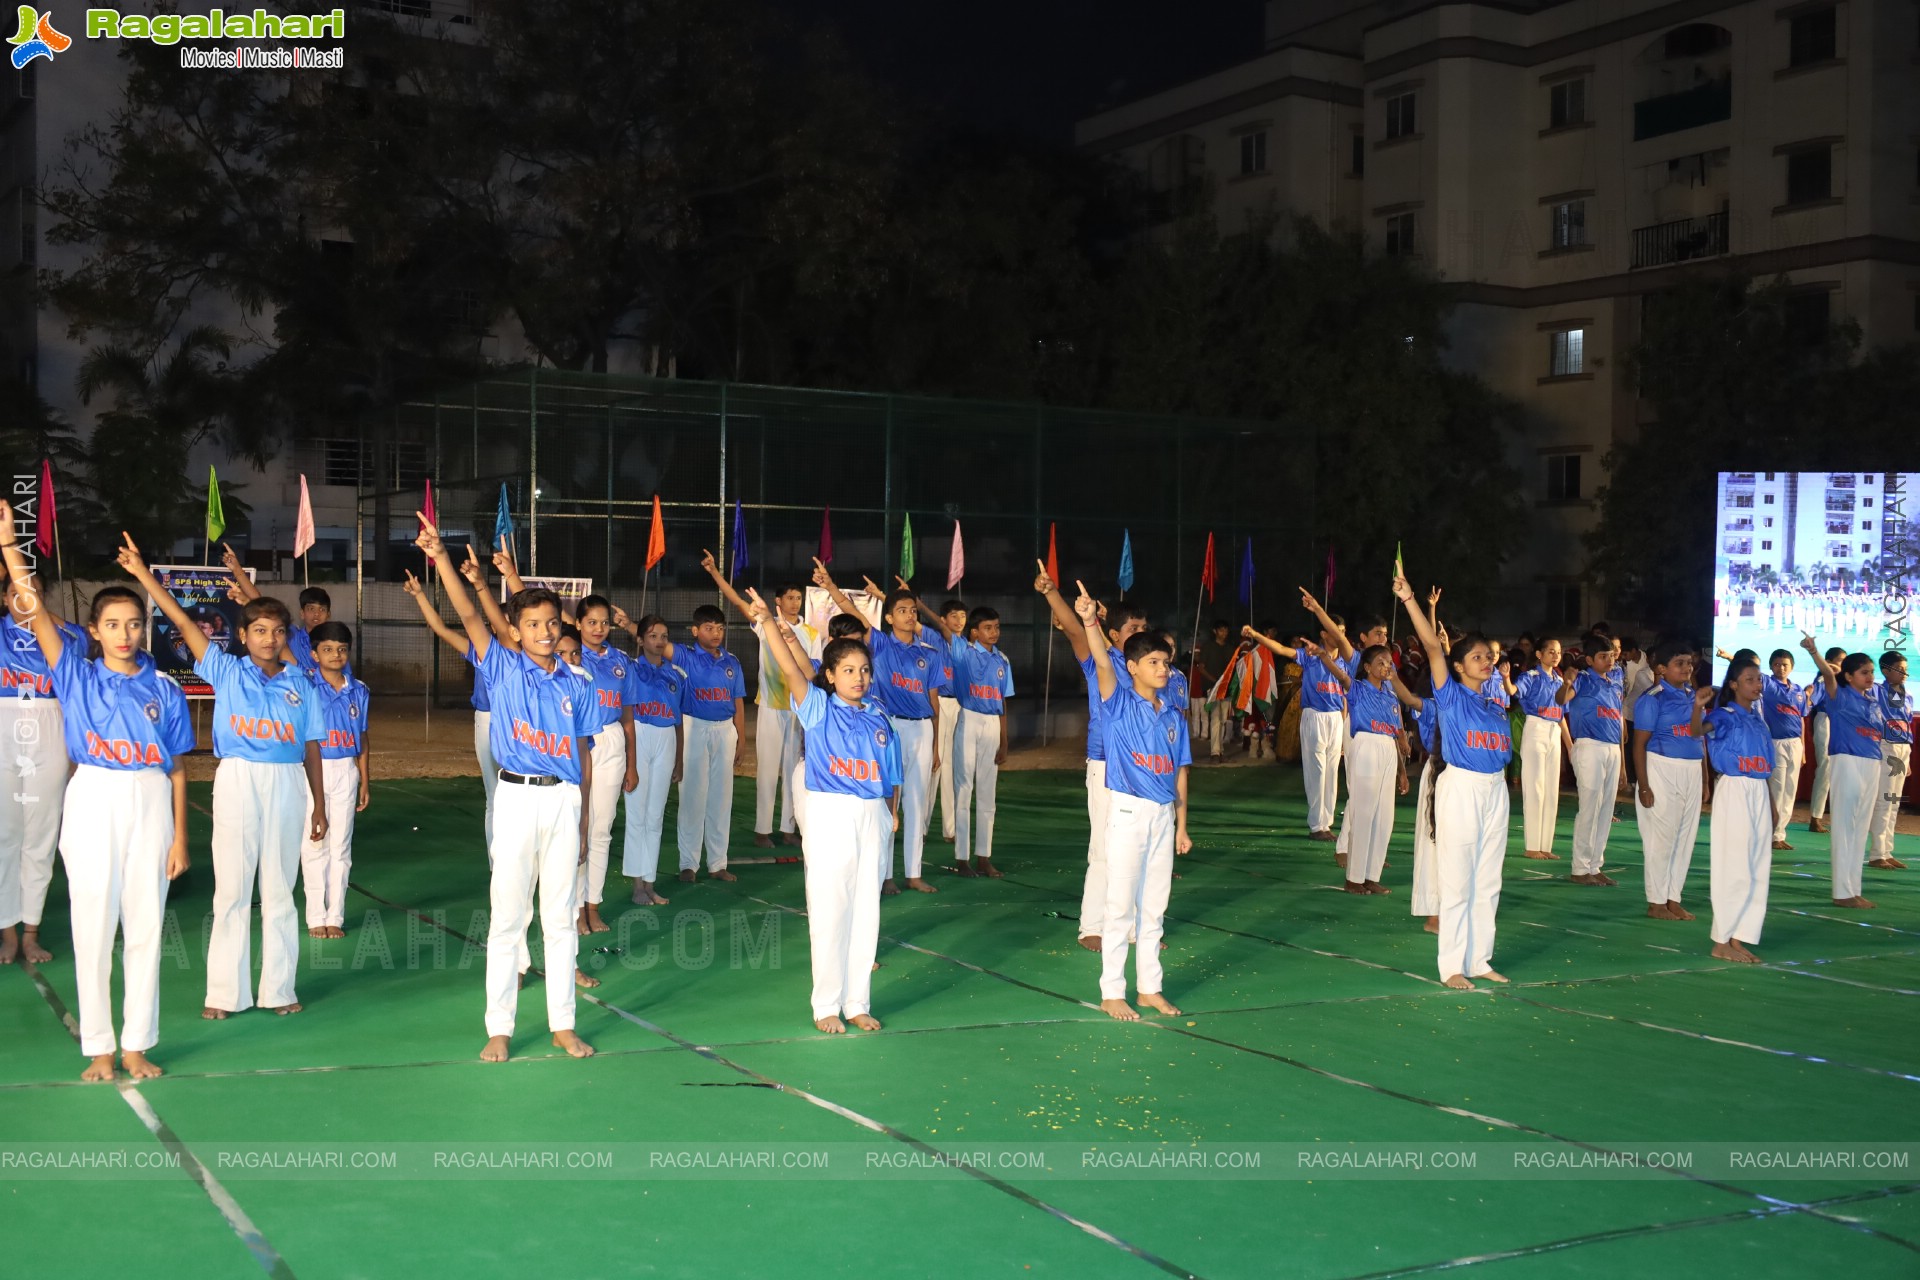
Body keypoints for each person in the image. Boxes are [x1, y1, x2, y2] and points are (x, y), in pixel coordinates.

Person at [123, 534, 327, 1018]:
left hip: (287, 782)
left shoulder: (303, 682)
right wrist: (142, 575)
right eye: (259, 631)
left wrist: (319, 803)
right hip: (237, 778)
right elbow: (179, 619)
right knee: (232, 889)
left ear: (286, 635)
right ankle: (224, 994)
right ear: (243, 636)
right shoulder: (225, 670)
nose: (269, 639)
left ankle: (279, 989)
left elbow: (314, 746)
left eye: (277, 631)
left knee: (280, 888)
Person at [418, 516, 599, 1062]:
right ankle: (500, 1027)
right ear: (517, 633)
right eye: (534, 625)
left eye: (551, 624)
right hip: (517, 797)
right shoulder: (501, 667)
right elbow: (471, 615)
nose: (545, 632)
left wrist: (585, 819)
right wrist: (442, 560)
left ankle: (563, 1024)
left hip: (564, 799)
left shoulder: (580, 684)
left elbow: (584, 755)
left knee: (561, 916)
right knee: (508, 915)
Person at [748, 589, 899, 1033]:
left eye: (864, 671)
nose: (859, 678)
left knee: (866, 908)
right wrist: (767, 623)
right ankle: (826, 1005)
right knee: (831, 908)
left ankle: (857, 1002)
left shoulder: (878, 715)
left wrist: (891, 813)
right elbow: (791, 667)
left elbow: (891, 775)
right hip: (831, 812)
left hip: (872, 814)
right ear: (830, 675)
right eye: (848, 671)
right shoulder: (816, 708)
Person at [1071, 583, 1191, 1021]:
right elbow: (1102, 658)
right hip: (1126, 812)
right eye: (1153, 662)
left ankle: (1150, 988)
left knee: (1154, 907)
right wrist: (1089, 621)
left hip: (1161, 816)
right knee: (1120, 905)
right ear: (1133, 667)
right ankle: (1111, 991)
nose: (1162, 668)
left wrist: (1181, 825)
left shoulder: (1173, 715)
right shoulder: (1116, 701)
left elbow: (1180, 774)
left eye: (1165, 661)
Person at [1392, 573, 1511, 989]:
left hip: (1496, 788)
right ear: (1458, 665)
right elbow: (1430, 647)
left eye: (1489, 657)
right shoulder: (1451, 693)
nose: (1487, 661)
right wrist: (1410, 600)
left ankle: (1479, 959)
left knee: (1488, 879)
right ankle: (1452, 966)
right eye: (1477, 657)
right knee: (1458, 878)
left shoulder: (1494, 704)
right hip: (1461, 787)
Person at [1034, 567, 1146, 947]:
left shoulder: (1148, 667)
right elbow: (1074, 630)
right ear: (1113, 634)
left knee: (1136, 849)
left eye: (1143, 627)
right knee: (1103, 847)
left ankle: (1131, 928)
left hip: (1140, 768)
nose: (1139, 634)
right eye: (1132, 628)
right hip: (1104, 763)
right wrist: (1053, 594)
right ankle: (1093, 927)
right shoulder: (1101, 659)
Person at [814, 565, 941, 895]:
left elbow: (934, 701)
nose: (910, 615)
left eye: (913, 610)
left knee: (917, 801)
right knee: (889, 801)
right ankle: (884, 875)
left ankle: (913, 872)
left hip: (922, 729)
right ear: (888, 618)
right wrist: (830, 585)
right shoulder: (881, 644)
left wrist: (937, 743)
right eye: (901, 610)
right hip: (889, 727)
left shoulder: (929, 653)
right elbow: (850, 610)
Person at [700, 551, 820, 849]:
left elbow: (813, 670)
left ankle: (789, 828)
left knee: (795, 771)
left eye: (798, 597)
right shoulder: (765, 623)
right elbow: (738, 601)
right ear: (778, 602)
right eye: (789, 598)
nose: (795, 602)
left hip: (798, 712)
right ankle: (763, 829)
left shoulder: (811, 632)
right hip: (770, 708)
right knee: (767, 770)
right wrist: (715, 572)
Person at [0, 569, 85, 966]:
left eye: (34, 592)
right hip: (4, 732)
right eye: (16, 592)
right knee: (5, 835)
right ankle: (8, 933)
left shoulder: (65, 639)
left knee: (41, 835)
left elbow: (79, 669)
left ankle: (31, 930)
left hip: (50, 732)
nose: (26, 599)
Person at [917, 596, 1013, 877]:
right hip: (968, 719)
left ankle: (984, 856)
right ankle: (962, 859)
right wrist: (925, 608)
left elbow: (1003, 701)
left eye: (996, 627)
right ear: (974, 632)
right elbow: (945, 630)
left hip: (992, 724)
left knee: (988, 793)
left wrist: (1004, 740)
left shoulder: (1003, 661)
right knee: (963, 789)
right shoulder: (962, 651)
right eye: (987, 627)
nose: (994, 632)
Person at [567, 595, 638, 934]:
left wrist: (632, 764)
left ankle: (593, 906)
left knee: (601, 829)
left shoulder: (621, 661)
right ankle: (575, 908)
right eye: (591, 621)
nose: (598, 628)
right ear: (578, 623)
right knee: (576, 828)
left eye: (604, 622)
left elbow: (628, 717)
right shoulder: (565, 658)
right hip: (577, 742)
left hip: (611, 742)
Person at [295, 621, 370, 939]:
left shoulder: (360, 690)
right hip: (312, 769)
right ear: (314, 654)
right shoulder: (304, 688)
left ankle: (335, 916)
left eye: (341, 649)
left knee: (340, 846)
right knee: (314, 844)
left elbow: (363, 736)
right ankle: (315, 917)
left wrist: (365, 778)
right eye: (327, 649)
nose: (335, 655)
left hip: (346, 771)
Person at [1798, 639, 1884, 910]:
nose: (1870, 676)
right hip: (1847, 761)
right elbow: (1827, 674)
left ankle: (1853, 888)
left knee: (1860, 828)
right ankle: (1841, 891)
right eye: (1864, 672)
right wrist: (1814, 652)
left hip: (1871, 763)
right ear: (1848, 676)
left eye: (1871, 672)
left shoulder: (1872, 699)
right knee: (1846, 826)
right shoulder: (1839, 695)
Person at [1631, 640, 1713, 922]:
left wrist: (1704, 780)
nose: (1687, 668)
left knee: (1685, 838)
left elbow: (1698, 738)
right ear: (1662, 669)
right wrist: (1643, 785)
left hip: (1691, 770)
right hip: (1662, 769)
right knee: (1661, 839)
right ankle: (1656, 901)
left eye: (1689, 662)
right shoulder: (1652, 698)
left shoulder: (1693, 695)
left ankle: (1673, 897)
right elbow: (1639, 744)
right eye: (1680, 663)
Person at [1703, 657, 1774, 963]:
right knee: (1733, 866)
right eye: (1749, 679)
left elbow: (1765, 768)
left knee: (1758, 868)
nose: (1757, 684)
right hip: (1734, 788)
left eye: (1759, 679)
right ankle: (1720, 940)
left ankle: (1738, 936)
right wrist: (1697, 707)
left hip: (1758, 789)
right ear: (1733, 684)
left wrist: (1770, 803)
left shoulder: (1758, 719)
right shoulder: (1723, 715)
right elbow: (1697, 730)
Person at [675, 604, 748, 883]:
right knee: (693, 797)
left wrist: (740, 739)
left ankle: (718, 863)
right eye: (709, 628)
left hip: (724, 731)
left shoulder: (732, 662)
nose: (715, 633)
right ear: (695, 631)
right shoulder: (686, 657)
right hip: (694, 728)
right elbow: (656, 643)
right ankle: (688, 864)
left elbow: (738, 701)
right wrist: (632, 628)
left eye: (719, 628)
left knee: (721, 799)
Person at [621, 615, 683, 906]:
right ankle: (636, 886)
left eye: (664, 636)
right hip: (640, 736)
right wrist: (629, 760)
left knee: (655, 816)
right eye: (653, 636)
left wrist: (679, 758)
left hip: (666, 737)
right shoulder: (630, 670)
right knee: (637, 814)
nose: (659, 641)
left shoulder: (675, 674)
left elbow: (679, 720)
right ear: (640, 639)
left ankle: (650, 882)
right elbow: (627, 713)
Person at [1336, 645, 1408, 894]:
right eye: (1380, 662)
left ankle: (1371, 875)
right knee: (1364, 813)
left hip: (1388, 750)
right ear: (1367, 667)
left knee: (1384, 817)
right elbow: (1342, 676)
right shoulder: (1358, 689)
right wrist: (1325, 657)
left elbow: (1394, 735)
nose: (1387, 666)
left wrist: (1402, 772)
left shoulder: (1391, 697)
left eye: (1389, 662)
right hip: (1366, 745)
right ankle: (1353, 878)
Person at [1294, 591, 1356, 842]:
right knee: (1316, 770)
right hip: (1314, 716)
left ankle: (1327, 822)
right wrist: (1256, 636)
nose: (1339, 635)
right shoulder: (1311, 655)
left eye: (1342, 630)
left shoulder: (1346, 661)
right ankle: (1316, 824)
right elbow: (1284, 651)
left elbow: (1344, 696)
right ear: (1323, 632)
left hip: (1335, 719)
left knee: (1331, 771)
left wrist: (1343, 723)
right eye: (1334, 629)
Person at [1565, 631, 1623, 886]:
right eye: (1603, 656)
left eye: (1611, 656)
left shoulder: (1615, 681)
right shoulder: (1583, 679)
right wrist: (1566, 683)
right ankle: (1580, 867)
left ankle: (1595, 864)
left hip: (1612, 748)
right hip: (1589, 746)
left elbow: (1618, 719)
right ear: (1589, 660)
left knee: (1606, 808)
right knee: (1590, 806)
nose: (1609, 661)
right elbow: (1561, 700)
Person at [1515, 639, 1573, 861]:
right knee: (1535, 787)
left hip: (1553, 733)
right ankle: (1532, 845)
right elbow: (1515, 692)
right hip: (1536, 727)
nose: (1556, 655)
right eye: (1551, 651)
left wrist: (1569, 745)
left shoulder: (1560, 680)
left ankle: (1546, 845)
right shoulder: (1530, 677)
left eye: (1558, 652)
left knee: (1551, 790)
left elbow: (1560, 715)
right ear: (1539, 654)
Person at [925, 598, 968, 843]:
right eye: (954, 616)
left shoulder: (966, 645)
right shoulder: (933, 639)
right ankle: (921, 825)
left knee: (953, 767)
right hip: (938, 702)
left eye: (962, 616)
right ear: (944, 619)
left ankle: (950, 830)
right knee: (934, 764)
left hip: (959, 705)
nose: (959, 621)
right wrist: (919, 606)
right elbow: (922, 626)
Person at [1759, 649, 1810, 852]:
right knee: (1776, 789)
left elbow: (1802, 720)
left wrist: (1803, 749)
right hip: (1775, 743)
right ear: (1771, 666)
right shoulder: (1769, 686)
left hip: (1794, 744)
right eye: (1777, 664)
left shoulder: (1798, 691)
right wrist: (1730, 657)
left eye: (1785, 665)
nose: (1781, 668)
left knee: (1790, 789)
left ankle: (1780, 833)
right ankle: (1770, 833)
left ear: (1792, 667)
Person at [1867, 652, 1911, 872]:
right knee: (1884, 800)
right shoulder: (1877, 691)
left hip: (1903, 748)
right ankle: (1876, 853)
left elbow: (1906, 723)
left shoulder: (1907, 696)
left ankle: (1887, 851)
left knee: (1894, 802)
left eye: (1905, 668)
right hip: (1887, 747)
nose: (1904, 673)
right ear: (1885, 671)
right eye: (1899, 669)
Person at [1806, 645, 1847, 834]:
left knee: (1839, 769)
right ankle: (1816, 817)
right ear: (1829, 662)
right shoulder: (1823, 678)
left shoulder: (1844, 680)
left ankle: (1835, 815)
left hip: (1841, 723)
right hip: (1825, 720)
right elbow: (1812, 700)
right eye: (1840, 661)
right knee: (1826, 767)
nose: (1843, 665)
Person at [1195, 620, 1234, 755]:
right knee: (1216, 718)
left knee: (1223, 719)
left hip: (1226, 688)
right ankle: (1215, 752)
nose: (1224, 633)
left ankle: (1219, 749)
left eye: (1226, 630)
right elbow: (1201, 668)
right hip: (1213, 687)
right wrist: (1216, 681)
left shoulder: (1230, 648)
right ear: (1215, 631)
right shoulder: (1208, 647)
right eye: (1221, 630)